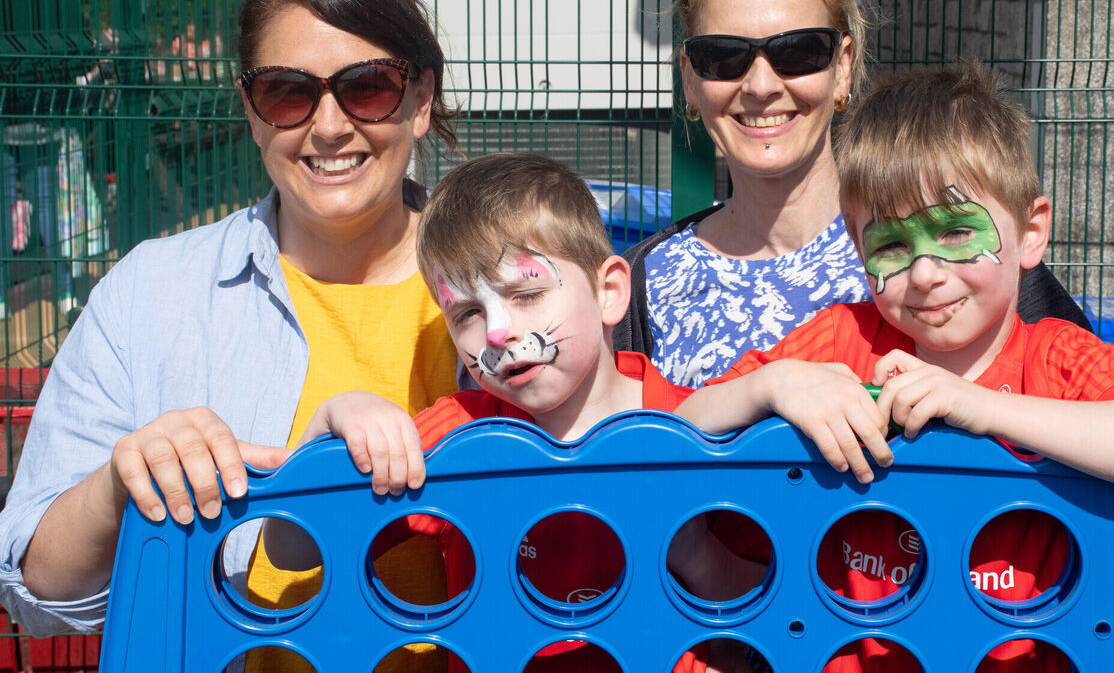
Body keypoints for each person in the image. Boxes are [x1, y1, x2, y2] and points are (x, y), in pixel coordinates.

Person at [676, 61, 1114, 672]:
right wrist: (774, 384)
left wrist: (982, 407)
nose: (924, 274)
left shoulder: (1055, 357)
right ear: (857, 245)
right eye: (893, 245)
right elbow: (682, 429)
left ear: (1031, 233)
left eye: (956, 233)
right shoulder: (842, 340)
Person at [0, 0, 462, 637]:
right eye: (289, 92)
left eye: (367, 86)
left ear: (421, 101)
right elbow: (39, 596)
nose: (330, 125)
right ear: (251, 111)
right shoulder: (152, 295)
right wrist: (120, 485)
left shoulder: (520, 289)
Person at [269, 152, 769, 672]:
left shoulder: (694, 424)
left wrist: (688, 549)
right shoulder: (460, 435)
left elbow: (766, 614)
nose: (496, 331)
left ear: (610, 292)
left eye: (527, 293)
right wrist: (332, 420)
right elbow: (293, 550)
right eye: (467, 313)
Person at [614, 0, 1090, 389]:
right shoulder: (646, 280)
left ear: (842, 68)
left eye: (797, 51)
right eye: (723, 57)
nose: (760, 86)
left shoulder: (955, 247)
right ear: (690, 80)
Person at [0, 0, 94, 317]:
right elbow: (83, 53)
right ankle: (64, 290)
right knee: (49, 203)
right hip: (47, 115)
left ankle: (2, 296)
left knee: (3, 204)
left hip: (4, 114)